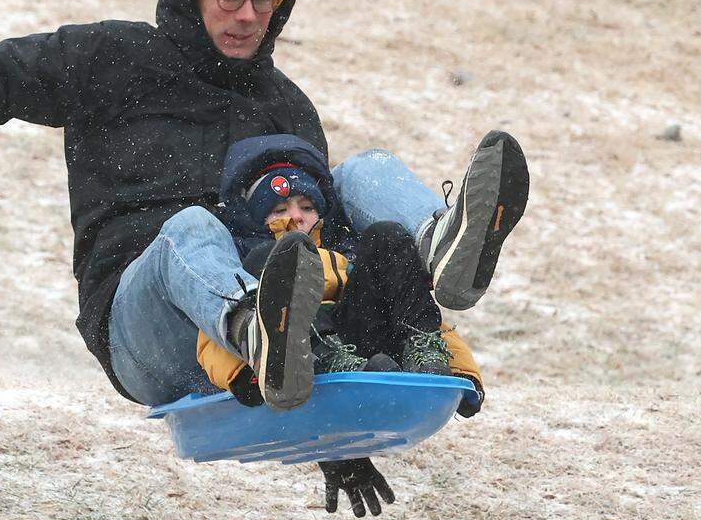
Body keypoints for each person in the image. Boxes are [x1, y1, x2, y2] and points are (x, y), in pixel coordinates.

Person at [0, 0, 529, 517]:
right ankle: (250, 328)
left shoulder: (287, 109)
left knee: (364, 171)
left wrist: (337, 426)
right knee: (189, 230)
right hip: (146, 324)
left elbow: (329, 253)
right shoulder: (111, 57)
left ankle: (434, 248)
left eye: (263, 1)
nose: (245, 15)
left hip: (275, 332)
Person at [196, 134, 486, 422]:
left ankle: (423, 352)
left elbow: (413, 303)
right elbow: (218, 327)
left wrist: (461, 371)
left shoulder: (347, 248)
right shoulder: (246, 260)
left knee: (386, 236)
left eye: (307, 207)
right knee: (276, 260)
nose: (296, 217)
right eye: (279, 210)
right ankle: (330, 358)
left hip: (365, 336)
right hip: (303, 360)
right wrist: (243, 375)